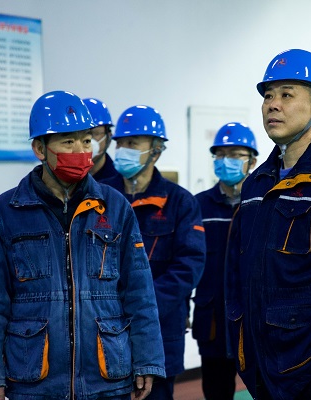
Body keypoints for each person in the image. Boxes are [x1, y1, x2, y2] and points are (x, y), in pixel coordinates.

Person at [0, 90, 165, 400]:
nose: (80, 150)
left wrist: (147, 360)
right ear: (39, 149)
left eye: (86, 141)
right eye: (68, 141)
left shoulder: (115, 208)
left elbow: (139, 291)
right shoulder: (5, 213)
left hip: (107, 377)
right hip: (34, 380)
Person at [225, 49, 311, 400]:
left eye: (287, 95)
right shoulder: (255, 184)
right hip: (259, 368)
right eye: (268, 96)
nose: (273, 105)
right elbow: (236, 274)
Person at [102, 105, 206, 399]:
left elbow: (189, 265)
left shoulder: (180, 202)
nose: (123, 150)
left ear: (156, 151)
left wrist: (143, 304)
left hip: (160, 331)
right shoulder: (99, 196)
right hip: (104, 329)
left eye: (133, 143)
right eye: (120, 143)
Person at [192, 122, 258, 400]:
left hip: (253, 319)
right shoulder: (197, 205)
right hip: (212, 319)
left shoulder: (262, 203)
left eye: (234, 155)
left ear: (252, 161)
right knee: (216, 391)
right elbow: (188, 261)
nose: (225, 161)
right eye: (220, 155)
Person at [82, 97, 120, 182]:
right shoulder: (62, 178)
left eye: (95, 133)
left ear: (109, 137)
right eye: (82, 134)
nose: (88, 140)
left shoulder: (120, 181)